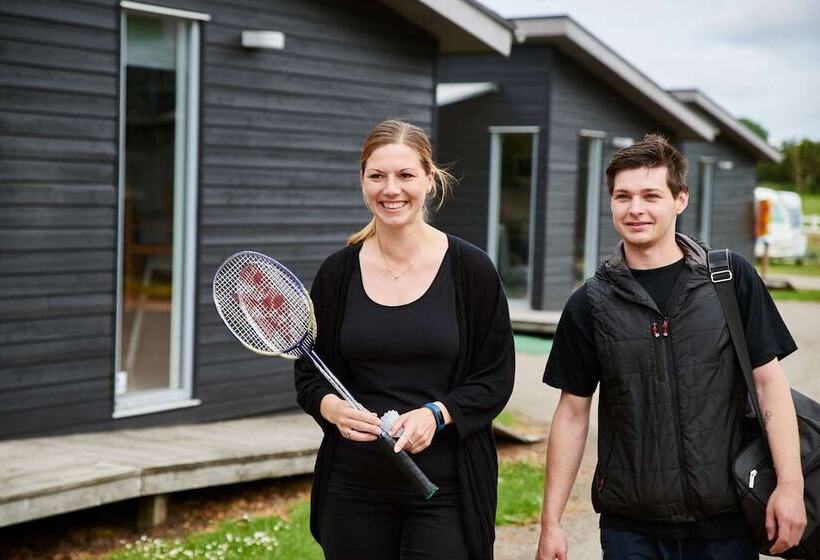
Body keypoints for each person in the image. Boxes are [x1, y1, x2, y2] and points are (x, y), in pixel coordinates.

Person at [535, 134, 806, 560]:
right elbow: (572, 412)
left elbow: (770, 384)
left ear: (680, 199)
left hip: (726, 522)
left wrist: (790, 487)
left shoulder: (730, 279)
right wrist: (550, 523)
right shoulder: (589, 303)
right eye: (622, 196)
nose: (635, 209)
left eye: (650, 195)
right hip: (631, 532)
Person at [294, 119, 515, 560]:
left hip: (446, 488)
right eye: (377, 176)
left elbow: (495, 378)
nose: (390, 189)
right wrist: (332, 408)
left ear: (429, 180)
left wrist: (437, 414)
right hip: (353, 488)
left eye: (405, 175)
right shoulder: (337, 274)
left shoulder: (470, 270)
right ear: (362, 181)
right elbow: (309, 374)